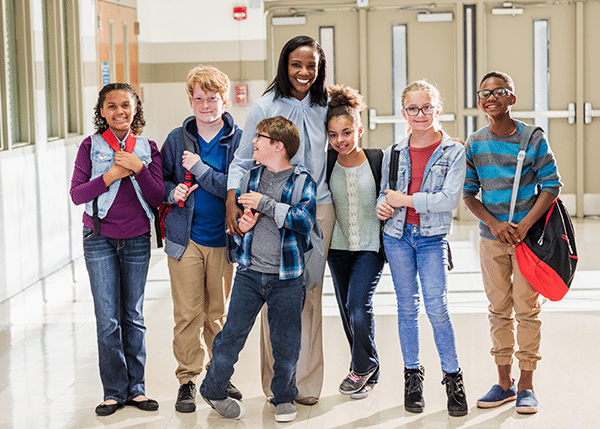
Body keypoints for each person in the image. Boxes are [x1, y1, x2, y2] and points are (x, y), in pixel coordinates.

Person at [225, 35, 333, 405]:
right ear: (284, 65)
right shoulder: (264, 105)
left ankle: (306, 384)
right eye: (296, 64)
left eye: (311, 66)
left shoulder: (327, 105)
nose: (303, 72)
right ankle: (277, 384)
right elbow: (241, 159)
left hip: (316, 208)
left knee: (309, 296)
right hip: (268, 204)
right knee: (273, 294)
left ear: (319, 70)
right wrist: (232, 202)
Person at [200, 116, 317, 422]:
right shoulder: (250, 177)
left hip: (287, 279)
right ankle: (213, 388)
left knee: (286, 342)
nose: (253, 142)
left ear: (278, 146)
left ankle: (283, 398)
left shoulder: (303, 181)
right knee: (231, 336)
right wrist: (243, 224)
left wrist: (266, 204)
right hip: (249, 273)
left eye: (259, 138)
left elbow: (304, 222)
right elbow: (243, 221)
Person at [463, 71, 562, 414]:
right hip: (492, 241)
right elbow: (469, 194)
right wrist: (494, 223)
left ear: (512, 99)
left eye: (499, 92)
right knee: (498, 309)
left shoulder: (532, 138)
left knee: (527, 309)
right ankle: (503, 383)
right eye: (484, 93)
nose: (490, 97)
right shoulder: (474, 142)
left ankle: (526, 384)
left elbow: (552, 185)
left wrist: (523, 226)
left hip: (527, 241)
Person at [70, 83, 164, 416]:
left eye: (125, 105)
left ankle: (136, 390)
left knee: (133, 317)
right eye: (112, 106)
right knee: (107, 318)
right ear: (102, 111)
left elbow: (158, 197)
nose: (119, 112)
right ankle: (113, 391)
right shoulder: (89, 146)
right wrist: (110, 175)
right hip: (99, 239)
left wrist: (138, 168)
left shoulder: (148, 147)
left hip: (137, 238)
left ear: (136, 109)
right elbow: (78, 195)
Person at [376, 80, 468, 417]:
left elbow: (447, 200)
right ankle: (412, 378)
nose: (420, 114)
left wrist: (405, 200)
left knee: (437, 308)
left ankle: (453, 378)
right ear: (403, 113)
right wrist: (382, 207)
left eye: (427, 107)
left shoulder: (454, 151)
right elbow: (386, 194)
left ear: (437, 109)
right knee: (406, 308)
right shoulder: (393, 153)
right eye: (413, 109)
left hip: (431, 238)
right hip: (397, 236)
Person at [160, 65, 242, 413]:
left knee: (217, 313)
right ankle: (187, 379)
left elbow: (235, 187)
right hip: (185, 239)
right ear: (190, 101)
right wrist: (171, 190)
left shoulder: (237, 139)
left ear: (224, 100)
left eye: (212, 98)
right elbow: (157, 182)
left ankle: (217, 374)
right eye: (199, 98)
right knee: (187, 313)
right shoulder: (176, 139)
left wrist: (198, 169)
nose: (205, 105)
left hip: (222, 237)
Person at [325, 85, 385, 400]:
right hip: (337, 249)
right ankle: (363, 370)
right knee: (348, 311)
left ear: (359, 130)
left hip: (370, 248)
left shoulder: (378, 159)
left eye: (346, 133)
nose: (340, 141)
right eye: (333, 135)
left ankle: (364, 365)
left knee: (357, 304)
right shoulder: (326, 162)